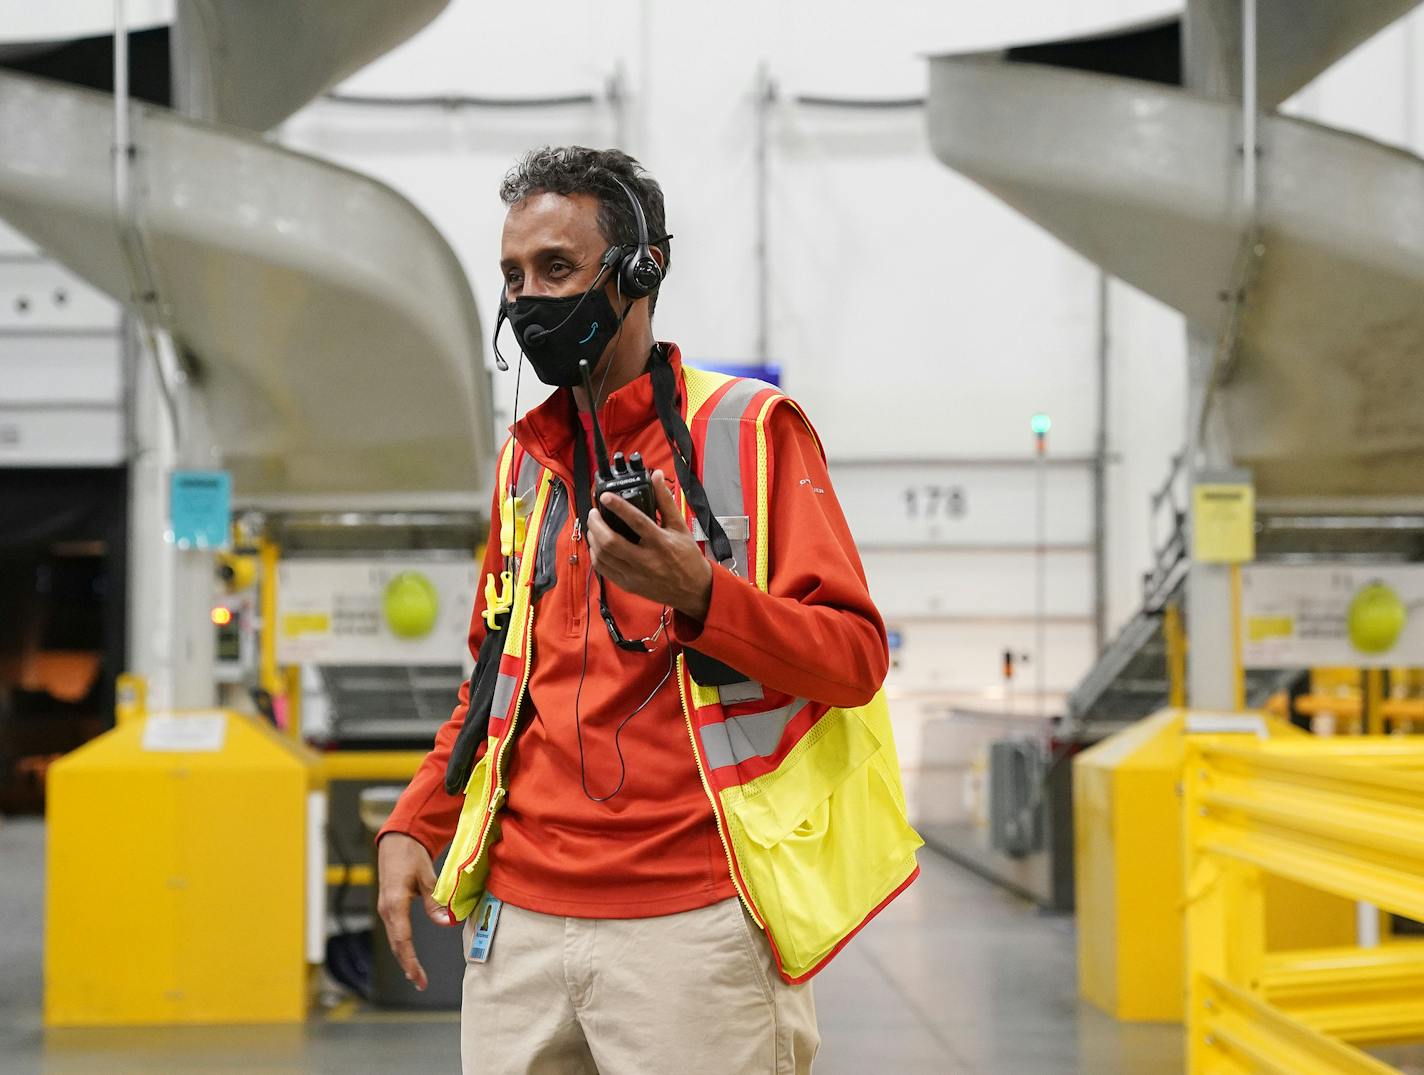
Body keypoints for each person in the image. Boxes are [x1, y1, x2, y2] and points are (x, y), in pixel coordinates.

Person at [375, 146, 921, 1075]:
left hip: (692, 927)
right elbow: (495, 680)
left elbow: (855, 659)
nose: (528, 298)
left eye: (557, 268)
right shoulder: (526, 461)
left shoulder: (749, 432)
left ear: (640, 272)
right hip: (518, 927)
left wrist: (703, 595)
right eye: (512, 275)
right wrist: (415, 822)